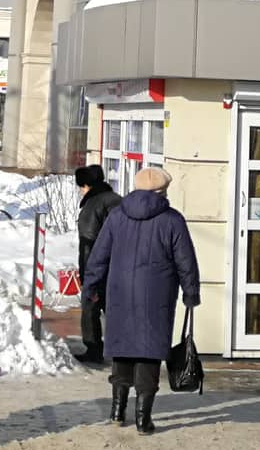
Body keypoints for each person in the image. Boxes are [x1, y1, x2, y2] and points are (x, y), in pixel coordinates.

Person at [83, 165, 200, 435]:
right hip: (156, 298)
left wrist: (91, 286)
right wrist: (191, 292)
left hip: (120, 294)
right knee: (149, 354)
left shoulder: (116, 217)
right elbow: (186, 261)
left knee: (122, 350)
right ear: (162, 191)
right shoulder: (172, 220)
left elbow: (98, 255)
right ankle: (142, 420)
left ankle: (116, 411)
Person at [74, 163, 122, 364]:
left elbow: (88, 244)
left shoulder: (92, 207)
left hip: (99, 266)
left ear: (86, 185)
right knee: (116, 308)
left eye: (81, 187)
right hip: (121, 265)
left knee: (90, 306)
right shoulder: (118, 201)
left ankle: (93, 349)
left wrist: (86, 276)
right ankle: (123, 348)